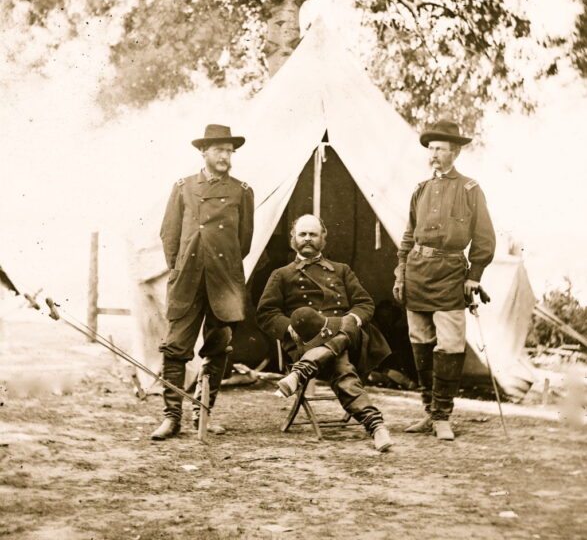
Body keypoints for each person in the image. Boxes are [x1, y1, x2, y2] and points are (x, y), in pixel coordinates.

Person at [393, 118, 496, 441]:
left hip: (451, 274)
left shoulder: (470, 189)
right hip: (417, 272)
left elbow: (484, 239)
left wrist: (473, 277)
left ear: (455, 153)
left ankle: (443, 416)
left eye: (440, 148)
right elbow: (408, 236)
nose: (434, 154)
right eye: (431, 148)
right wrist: (401, 273)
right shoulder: (420, 190)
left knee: (450, 345)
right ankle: (428, 412)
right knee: (420, 342)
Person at [151, 124, 254, 440]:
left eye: (229, 151)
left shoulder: (242, 191)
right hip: (188, 281)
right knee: (175, 348)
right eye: (219, 150)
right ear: (204, 152)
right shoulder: (183, 187)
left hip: (225, 282)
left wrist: (219, 262)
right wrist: (182, 268)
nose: (225, 156)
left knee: (219, 349)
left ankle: (201, 415)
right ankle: (171, 418)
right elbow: (169, 235)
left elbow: (244, 241)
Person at [257, 214, 393, 453]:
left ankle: (301, 371)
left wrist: (348, 321)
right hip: (306, 341)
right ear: (293, 239)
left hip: (347, 337)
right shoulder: (282, 274)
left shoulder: (342, 270)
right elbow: (266, 313)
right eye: (302, 234)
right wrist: (289, 327)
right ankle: (376, 425)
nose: (307, 239)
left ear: (323, 239)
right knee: (313, 328)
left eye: (313, 234)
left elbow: (365, 305)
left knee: (341, 338)